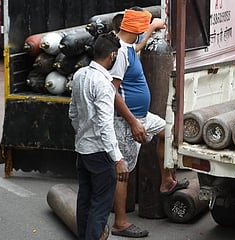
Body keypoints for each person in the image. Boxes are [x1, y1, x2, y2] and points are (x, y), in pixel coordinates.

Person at [109, 7, 189, 238]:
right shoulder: (120, 54)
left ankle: (166, 181)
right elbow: (112, 93)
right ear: (136, 27)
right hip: (127, 120)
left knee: (168, 132)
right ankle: (121, 222)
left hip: (143, 116)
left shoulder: (129, 47)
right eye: (144, 26)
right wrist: (133, 123)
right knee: (122, 171)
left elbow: (137, 47)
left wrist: (152, 29)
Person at [69, 32, 128, 240]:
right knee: (100, 204)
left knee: (84, 199)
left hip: (83, 150)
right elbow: (105, 125)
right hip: (99, 152)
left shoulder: (80, 75)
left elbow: (73, 114)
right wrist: (118, 159)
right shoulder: (104, 84)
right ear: (112, 55)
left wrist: (83, 133)